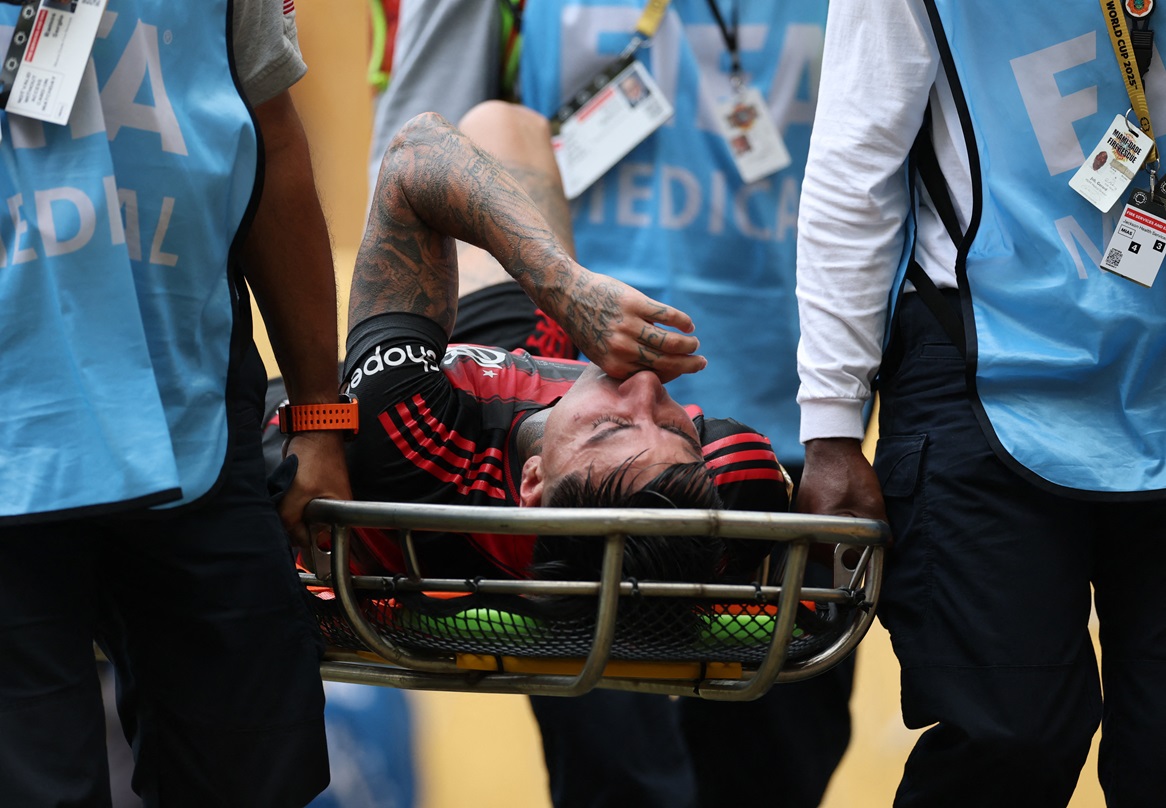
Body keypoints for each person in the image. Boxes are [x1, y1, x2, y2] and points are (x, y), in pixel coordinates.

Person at [795, 2, 1166, 806]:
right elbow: (854, 170)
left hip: (1156, 374)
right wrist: (830, 427)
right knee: (1011, 734)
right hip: (983, 374)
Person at [0, 3, 350, 806]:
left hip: (188, 409)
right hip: (14, 430)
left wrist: (319, 418)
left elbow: (275, 147)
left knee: (253, 763)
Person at [520, 4, 853, 805]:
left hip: (794, 445)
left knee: (775, 770)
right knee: (618, 779)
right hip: (584, 463)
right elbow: (451, 137)